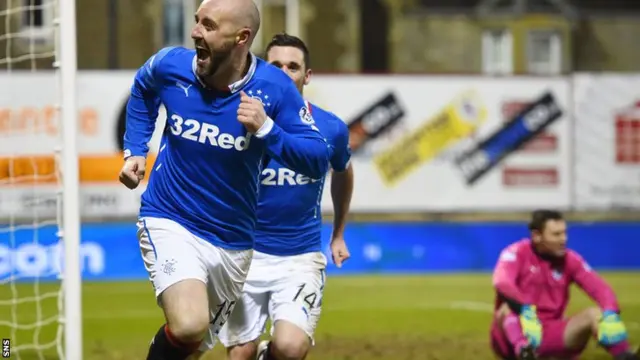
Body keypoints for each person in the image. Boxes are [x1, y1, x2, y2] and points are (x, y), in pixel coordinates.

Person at [117, 0, 331, 358]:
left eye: (209, 25)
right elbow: (143, 87)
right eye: (197, 21)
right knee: (189, 323)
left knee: (191, 345)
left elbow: (317, 158)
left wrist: (266, 129)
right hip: (171, 218)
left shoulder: (274, 89)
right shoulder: (172, 64)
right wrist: (135, 150)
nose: (195, 32)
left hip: (233, 242)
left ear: (241, 37)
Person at [215, 33, 354, 360]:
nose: (284, 72)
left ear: (306, 75)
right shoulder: (236, 120)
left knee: (290, 348)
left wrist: (338, 233)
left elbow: (343, 173)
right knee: (240, 355)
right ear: (262, 70)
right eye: (276, 65)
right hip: (242, 255)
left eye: (293, 66)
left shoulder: (330, 128)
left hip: (298, 258)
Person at [490, 209, 639, 360]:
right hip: (515, 335)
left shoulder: (570, 259)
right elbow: (501, 282)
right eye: (556, 234)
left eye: (564, 233)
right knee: (506, 308)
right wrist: (525, 310)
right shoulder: (516, 253)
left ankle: (625, 356)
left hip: (549, 333)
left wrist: (611, 312)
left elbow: (599, 287)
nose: (564, 239)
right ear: (537, 236)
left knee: (594, 314)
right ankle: (524, 351)